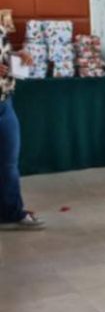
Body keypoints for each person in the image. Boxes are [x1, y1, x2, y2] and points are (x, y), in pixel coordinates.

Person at [0, 18, 41, 231]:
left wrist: (17, 55)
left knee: (8, 163)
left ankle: (11, 213)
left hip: (4, 101)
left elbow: (3, 54)